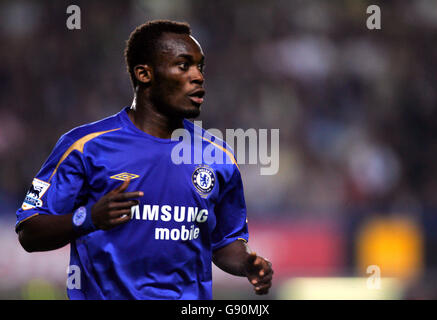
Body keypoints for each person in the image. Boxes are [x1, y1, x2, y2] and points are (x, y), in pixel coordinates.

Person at [16, 20, 273, 300]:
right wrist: (88, 218)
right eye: (184, 65)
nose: (198, 76)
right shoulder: (84, 146)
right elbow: (30, 232)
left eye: (200, 66)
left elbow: (224, 242)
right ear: (144, 74)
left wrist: (247, 263)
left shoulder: (218, 155)